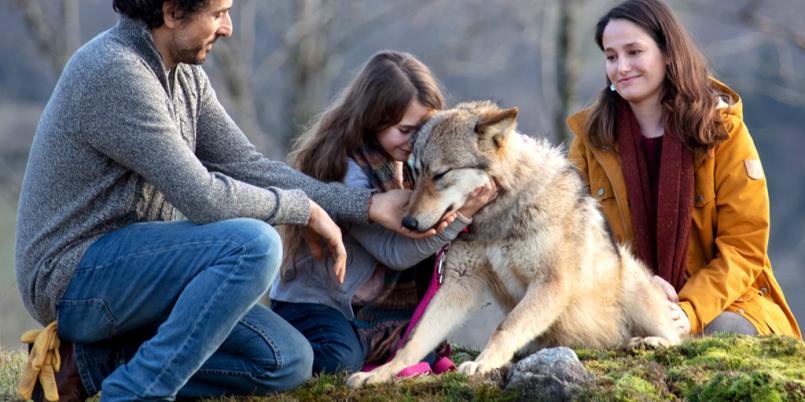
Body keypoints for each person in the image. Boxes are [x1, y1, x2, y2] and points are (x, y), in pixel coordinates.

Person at [15, 1, 442, 401]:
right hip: (72, 280)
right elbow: (205, 199)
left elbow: (248, 165)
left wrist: (364, 206)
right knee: (254, 245)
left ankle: (92, 363)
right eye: (219, 12)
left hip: (145, 275)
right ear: (172, 11)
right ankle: (134, 392)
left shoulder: (184, 77)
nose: (228, 28)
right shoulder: (116, 73)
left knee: (288, 360)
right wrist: (304, 209)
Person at [567, 0, 800, 340]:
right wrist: (638, 286)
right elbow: (571, 239)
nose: (621, 67)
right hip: (622, 301)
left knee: (726, 336)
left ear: (667, 53)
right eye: (611, 56)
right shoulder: (591, 140)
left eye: (634, 52)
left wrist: (687, 312)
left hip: (724, 304)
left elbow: (743, 249)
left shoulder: (722, 131)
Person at [270, 50, 497, 374]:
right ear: (373, 121)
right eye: (405, 130)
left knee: (421, 348)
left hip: (367, 303)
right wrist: (461, 217)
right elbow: (394, 252)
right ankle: (274, 344)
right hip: (316, 304)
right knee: (340, 360)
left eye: (424, 128)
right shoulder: (348, 171)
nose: (415, 140)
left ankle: (398, 344)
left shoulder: (410, 161)